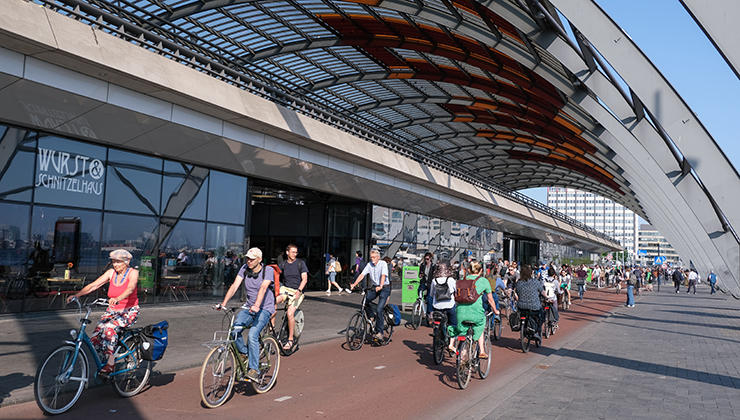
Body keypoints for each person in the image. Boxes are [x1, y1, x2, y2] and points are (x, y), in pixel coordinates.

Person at [66, 249, 140, 375]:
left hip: (129, 311)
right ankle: (102, 361)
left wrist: (118, 298)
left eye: (118, 262)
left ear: (126, 262)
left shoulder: (133, 273)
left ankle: (111, 363)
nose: (115, 265)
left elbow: (130, 288)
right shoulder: (111, 273)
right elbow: (94, 285)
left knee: (109, 328)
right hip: (112, 310)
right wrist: (77, 295)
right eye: (114, 262)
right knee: (96, 334)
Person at [217, 247, 275, 382]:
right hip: (249, 307)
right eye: (248, 258)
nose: (249, 261)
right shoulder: (244, 268)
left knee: (253, 335)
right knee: (234, 329)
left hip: (264, 308)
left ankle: (254, 370)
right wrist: (223, 303)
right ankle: (244, 353)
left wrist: (257, 305)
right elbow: (235, 286)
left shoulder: (268, 270)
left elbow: (263, 288)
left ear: (259, 260)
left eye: (252, 259)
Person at [454, 261, 499, 359]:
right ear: (481, 270)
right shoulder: (483, 281)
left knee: (464, 333)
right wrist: (495, 311)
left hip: (460, 313)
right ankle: (482, 350)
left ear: (468, 270)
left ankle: (461, 358)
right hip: (475, 312)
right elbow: (490, 299)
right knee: (480, 325)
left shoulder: (461, 280)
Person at [349, 249, 389, 341]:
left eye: (374, 257)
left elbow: (383, 275)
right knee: (365, 301)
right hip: (375, 287)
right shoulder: (369, 265)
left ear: (378, 257)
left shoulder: (383, 264)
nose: (372, 259)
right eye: (371, 257)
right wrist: (354, 284)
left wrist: (381, 285)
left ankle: (380, 333)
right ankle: (371, 316)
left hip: (384, 288)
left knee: (379, 309)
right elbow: (362, 275)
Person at [276, 244, 308, 350]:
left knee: (290, 313)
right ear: (287, 252)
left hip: (296, 291)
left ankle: (290, 339)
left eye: (296, 252)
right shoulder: (283, 264)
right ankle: (271, 332)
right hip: (285, 290)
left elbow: (305, 279)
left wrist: (299, 291)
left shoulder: (300, 263)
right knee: (272, 302)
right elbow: (275, 276)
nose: (295, 254)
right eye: (293, 252)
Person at [514, 265, 548, 341]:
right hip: (534, 306)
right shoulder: (535, 281)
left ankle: (524, 329)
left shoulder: (519, 282)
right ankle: (536, 332)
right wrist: (547, 296)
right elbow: (542, 292)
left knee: (523, 314)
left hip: (521, 306)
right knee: (541, 317)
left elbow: (517, 293)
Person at [430, 261, 457, 353]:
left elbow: (431, 294)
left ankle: (437, 333)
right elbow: (455, 291)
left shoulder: (434, 281)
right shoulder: (451, 280)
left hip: (437, 306)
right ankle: (451, 344)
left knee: (437, 320)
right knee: (453, 324)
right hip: (449, 305)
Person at [418, 252, 435, 323]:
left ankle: (430, 314)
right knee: (419, 289)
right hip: (424, 282)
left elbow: (435, 274)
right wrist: (421, 275)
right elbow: (419, 275)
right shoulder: (422, 265)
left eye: (427, 259)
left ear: (430, 259)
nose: (426, 260)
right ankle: (419, 302)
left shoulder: (434, 266)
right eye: (425, 259)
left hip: (431, 283)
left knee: (429, 299)